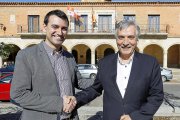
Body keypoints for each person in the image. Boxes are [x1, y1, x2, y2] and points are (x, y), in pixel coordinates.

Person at [66, 20, 164, 120]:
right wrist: (76, 99)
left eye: (131, 37)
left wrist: (135, 117)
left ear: (137, 39)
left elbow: (157, 96)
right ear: (116, 39)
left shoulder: (150, 63)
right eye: (121, 37)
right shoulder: (104, 63)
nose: (125, 42)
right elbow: (95, 89)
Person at [10, 9, 93, 120]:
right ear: (45, 27)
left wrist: (105, 79)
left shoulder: (69, 57)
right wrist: (59, 103)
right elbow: (18, 94)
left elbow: (80, 82)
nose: (59, 32)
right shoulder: (26, 55)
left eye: (64, 29)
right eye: (55, 27)